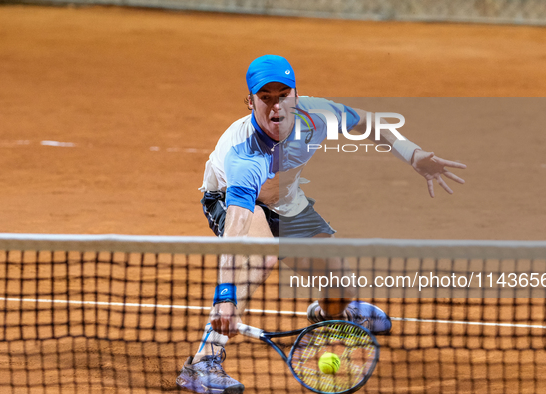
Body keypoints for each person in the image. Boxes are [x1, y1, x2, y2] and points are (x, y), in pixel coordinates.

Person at [177, 55, 466, 393]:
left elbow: (369, 123)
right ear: (250, 101)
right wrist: (224, 298)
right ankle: (202, 362)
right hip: (234, 199)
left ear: (296, 96)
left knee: (340, 283)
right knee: (261, 256)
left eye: (283, 94)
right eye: (265, 97)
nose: (275, 107)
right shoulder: (246, 155)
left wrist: (413, 154)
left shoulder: (317, 115)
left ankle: (330, 313)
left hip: (284, 199)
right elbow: (236, 233)